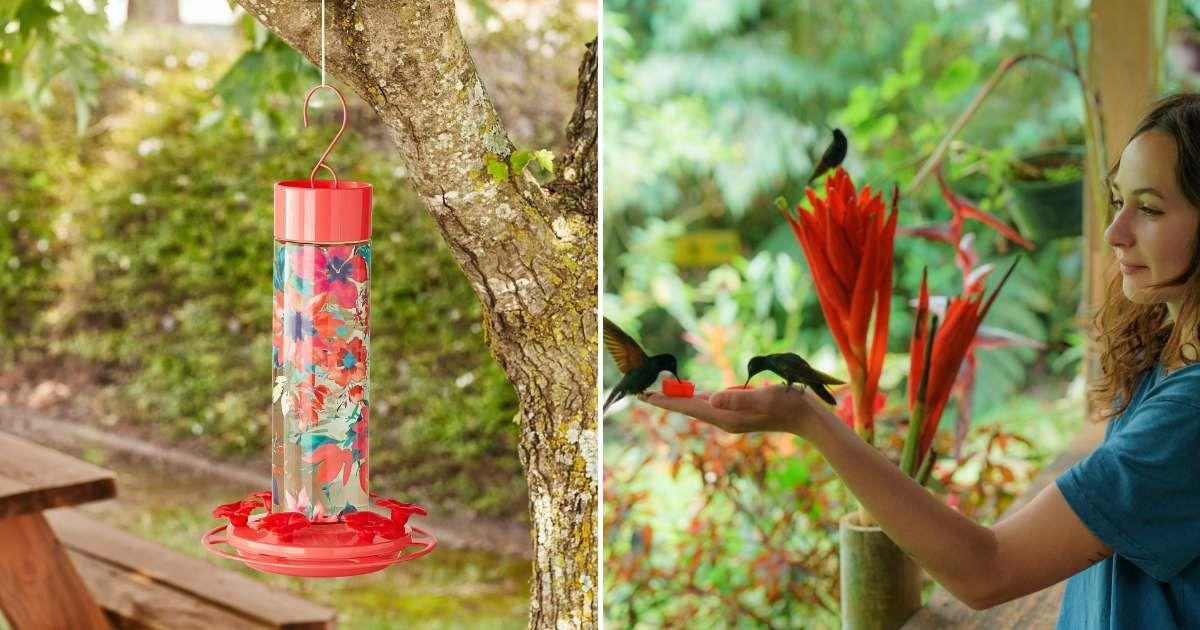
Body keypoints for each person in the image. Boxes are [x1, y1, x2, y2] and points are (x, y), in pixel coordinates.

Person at [638, 93, 1200, 628]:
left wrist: (806, 418)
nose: (1114, 232)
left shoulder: (1188, 416)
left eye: (1148, 208)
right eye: (1119, 200)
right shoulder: (1167, 348)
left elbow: (987, 570)